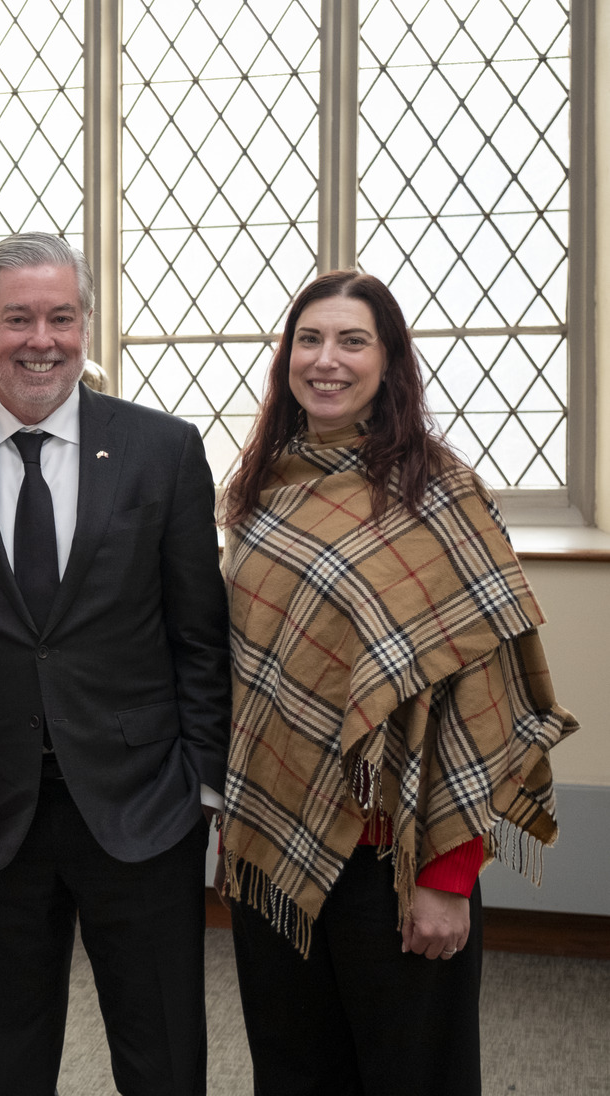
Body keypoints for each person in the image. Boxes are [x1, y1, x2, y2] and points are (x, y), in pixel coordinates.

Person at [217, 270, 577, 1094]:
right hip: (276, 847)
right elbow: (254, 670)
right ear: (286, 359)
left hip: (397, 862)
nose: (326, 360)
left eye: (352, 341)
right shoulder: (260, 490)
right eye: (309, 340)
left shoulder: (439, 491)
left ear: (389, 361)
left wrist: (448, 880)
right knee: (295, 1070)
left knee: (415, 1076)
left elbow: (480, 704)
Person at [0, 232, 230, 1096]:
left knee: (162, 1058)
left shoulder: (163, 449)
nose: (40, 339)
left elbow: (198, 631)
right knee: (4, 1061)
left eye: (60, 317)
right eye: (17, 319)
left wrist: (202, 780)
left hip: (141, 804)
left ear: (86, 326)